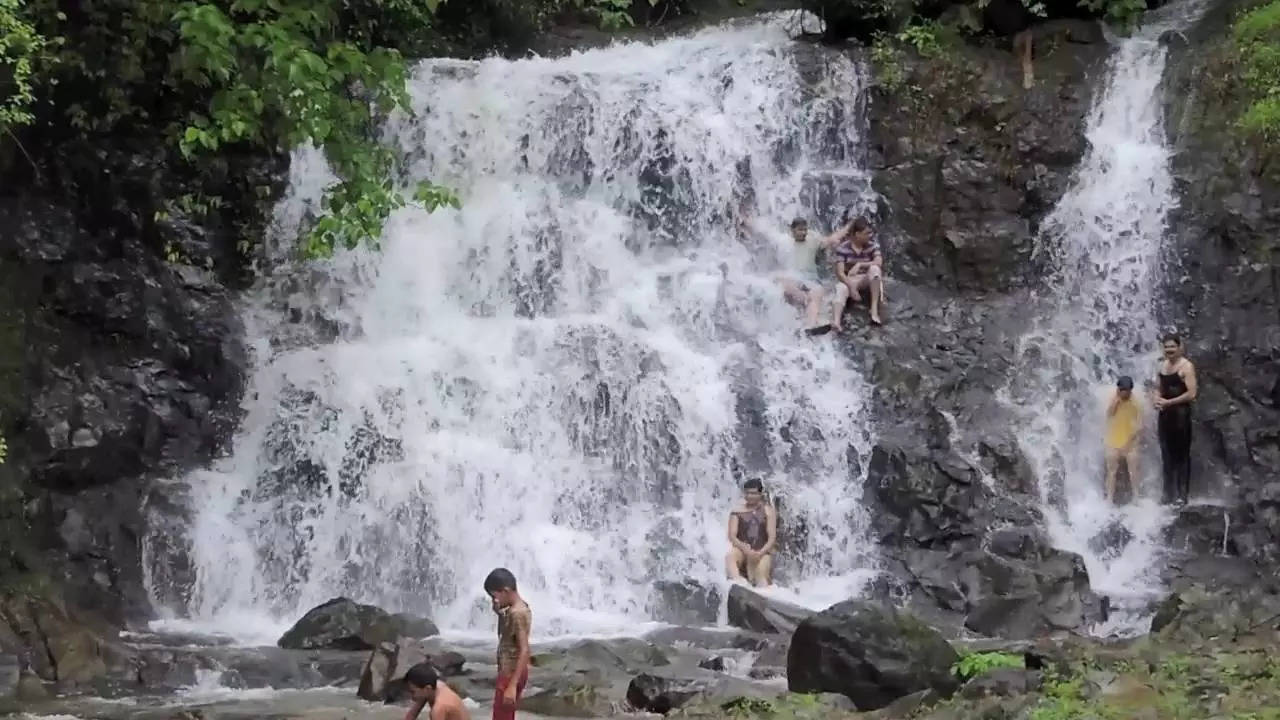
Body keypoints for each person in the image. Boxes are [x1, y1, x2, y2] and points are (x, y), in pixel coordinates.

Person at [775, 216, 852, 335]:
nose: (804, 233)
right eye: (800, 230)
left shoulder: (813, 240)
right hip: (793, 278)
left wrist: (849, 226)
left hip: (810, 279)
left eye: (805, 230)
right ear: (792, 230)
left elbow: (832, 239)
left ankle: (810, 326)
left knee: (817, 293)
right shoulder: (784, 241)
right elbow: (761, 231)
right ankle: (803, 302)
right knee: (784, 283)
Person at [1152, 334, 1197, 505]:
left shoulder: (1186, 367)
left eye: (1172, 347)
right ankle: (1167, 494)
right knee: (1166, 455)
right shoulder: (1161, 366)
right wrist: (1156, 399)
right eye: (1166, 347)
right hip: (1165, 415)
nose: (1169, 350)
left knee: (1182, 456)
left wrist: (1169, 402)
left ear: (1180, 348)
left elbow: (1192, 394)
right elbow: (1158, 387)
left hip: (1180, 415)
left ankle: (1182, 495)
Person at [483, 568, 531, 720]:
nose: (494, 600)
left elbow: (524, 650)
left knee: (502, 716)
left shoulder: (517, 613)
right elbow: (508, 634)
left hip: (511, 673)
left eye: (494, 596)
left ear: (505, 591)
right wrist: (499, 614)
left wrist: (511, 686)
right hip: (509, 671)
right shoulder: (516, 609)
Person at [725, 478, 777, 587]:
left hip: (762, 552)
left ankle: (762, 592)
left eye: (753, 493)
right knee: (730, 557)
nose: (750, 496)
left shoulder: (768, 511)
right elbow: (732, 536)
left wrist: (761, 552)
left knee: (761, 574)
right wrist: (743, 548)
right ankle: (738, 583)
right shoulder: (737, 511)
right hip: (743, 550)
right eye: (747, 493)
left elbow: (772, 537)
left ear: (761, 494)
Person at [834, 216, 884, 326]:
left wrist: (860, 264)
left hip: (866, 278)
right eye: (867, 233)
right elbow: (840, 273)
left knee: (875, 269)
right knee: (840, 288)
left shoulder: (872, 245)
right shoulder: (843, 248)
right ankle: (836, 322)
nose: (870, 236)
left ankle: (874, 311)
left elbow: (878, 262)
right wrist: (851, 287)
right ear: (857, 234)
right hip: (850, 280)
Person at [1104, 376, 1142, 504]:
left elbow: (1139, 427)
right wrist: (1116, 401)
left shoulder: (1136, 404)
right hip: (1113, 441)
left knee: (1133, 468)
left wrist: (1128, 444)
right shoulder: (1114, 400)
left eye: (1126, 390)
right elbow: (1109, 415)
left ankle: (1136, 497)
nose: (1123, 393)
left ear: (1131, 390)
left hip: (1130, 442)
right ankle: (1109, 498)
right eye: (1121, 390)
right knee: (1111, 469)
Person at [403, 663, 470, 720]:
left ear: (427, 688)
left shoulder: (438, 708)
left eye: (413, 692)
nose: (411, 697)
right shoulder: (433, 685)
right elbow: (412, 715)